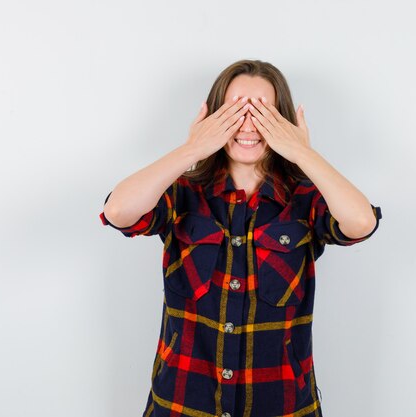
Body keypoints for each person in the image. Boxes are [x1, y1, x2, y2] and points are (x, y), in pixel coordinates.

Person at [99, 59, 382, 417]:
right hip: (181, 405)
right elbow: (117, 212)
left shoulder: (305, 198)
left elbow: (361, 222)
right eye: (235, 111)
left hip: (282, 406)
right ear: (214, 117)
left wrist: (301, 152)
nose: (248, 125)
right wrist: (191, 149)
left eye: (263, 113)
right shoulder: (183, 194)